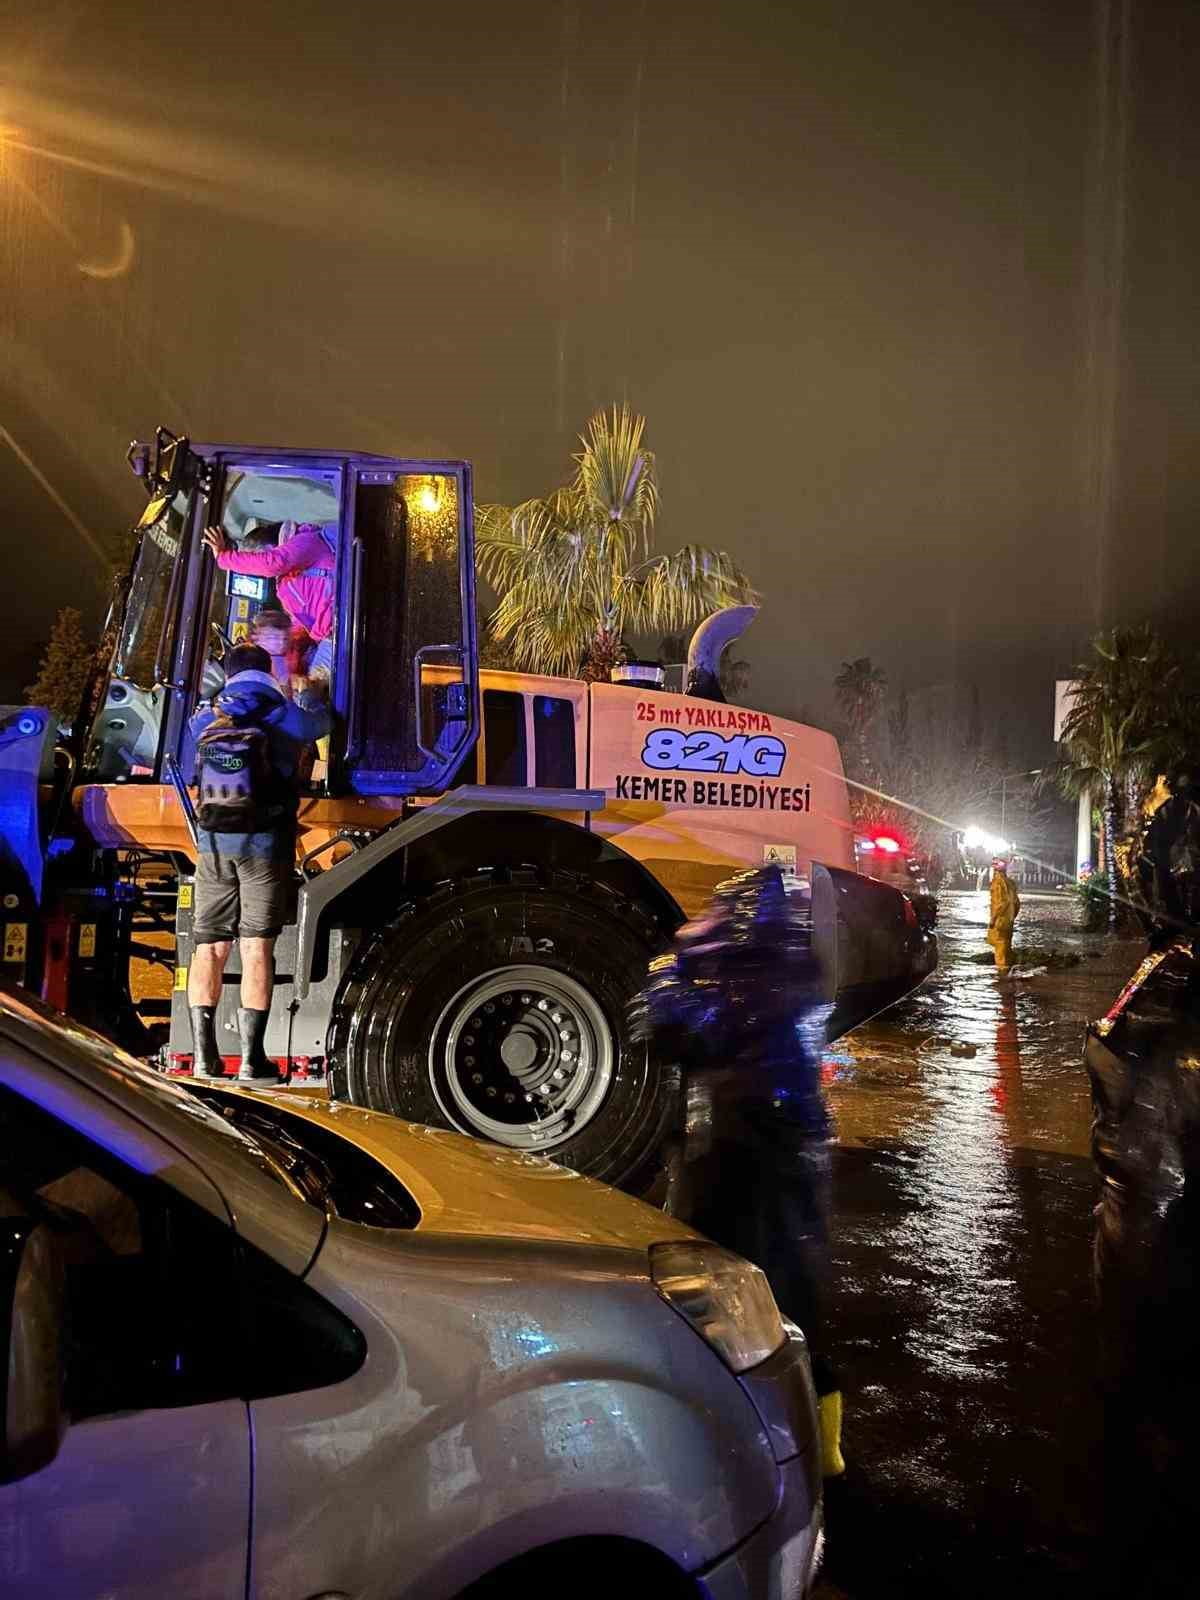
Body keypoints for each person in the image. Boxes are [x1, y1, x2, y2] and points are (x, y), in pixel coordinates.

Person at [628, 865, 845, 1476]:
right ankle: (820, 1449)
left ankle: (753, 1447)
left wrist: (669, 969)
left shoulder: (748, 983)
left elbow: (672, 1027)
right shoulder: (796, 973)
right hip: (791, 1154)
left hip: (741, 1156)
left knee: (730, 1300)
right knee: (794, 1298)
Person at [187, 642, 330, 1080]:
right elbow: (322, 721)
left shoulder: (205, 718)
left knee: (208, 948)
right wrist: (310, 693)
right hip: (264, 847)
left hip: (212, 847)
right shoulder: (283, 713)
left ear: (228, 675)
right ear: (267, 670)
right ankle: (252, 1060)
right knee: (255, 948)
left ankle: (203, 1058)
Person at [204, 519, 336, 681]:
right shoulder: (285, 585)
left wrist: (223, 558)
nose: (254, 569)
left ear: (266, 548)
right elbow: (299, 622)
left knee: (308, 696)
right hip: (325, 636)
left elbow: (273, 562)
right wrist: (271, 639)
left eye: (254, 557)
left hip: (337, 626)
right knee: (296, 681)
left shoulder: (305, 541)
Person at [986, 856, 1020, 971]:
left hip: (999, 921)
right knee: (1007, 949)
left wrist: (993, 919)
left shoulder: (997, 884)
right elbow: (1016, 903)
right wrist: (1012, 916)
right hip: (1009, 921)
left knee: (1000, 952)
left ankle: (1002, 978)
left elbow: (999, 904)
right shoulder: (1011, 883)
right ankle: (1008, 974)